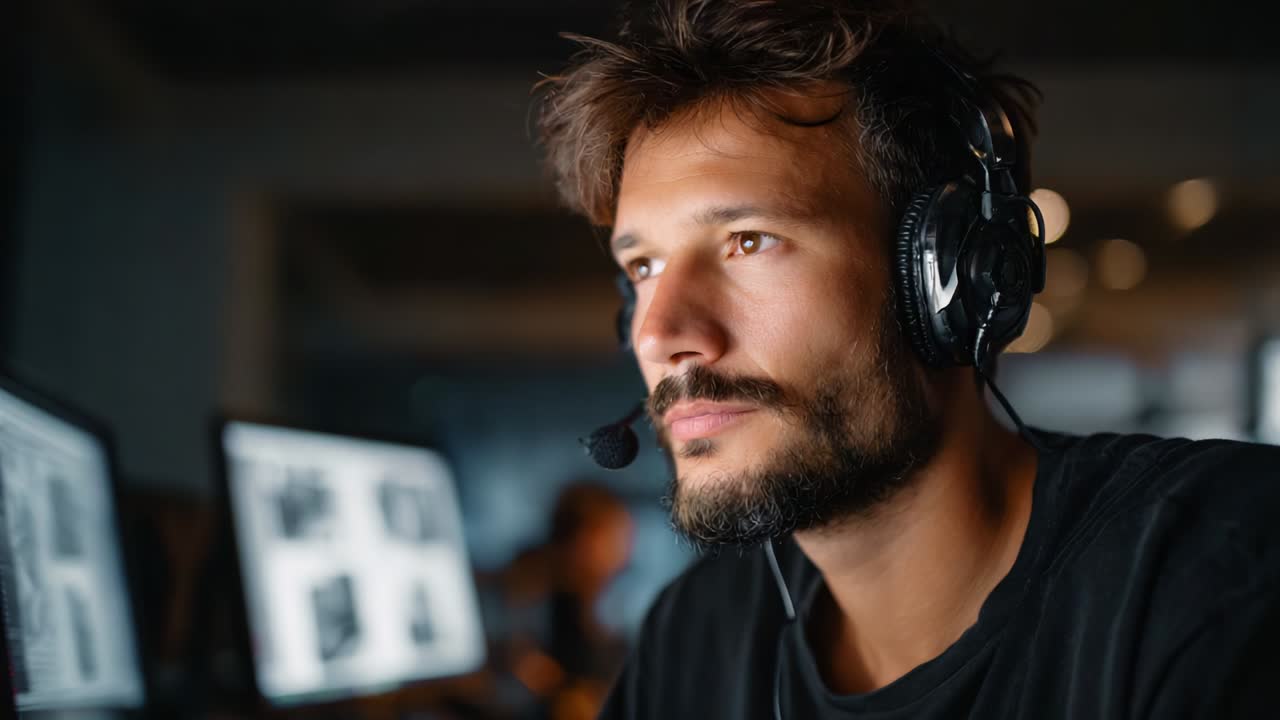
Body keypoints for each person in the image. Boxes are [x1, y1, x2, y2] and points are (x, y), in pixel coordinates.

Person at [531, 1, 1280, 718]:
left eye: (749, 241)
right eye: (645, 268)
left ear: (946, 278)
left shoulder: (1219, 573)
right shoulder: (697, 634)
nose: (662, 334)